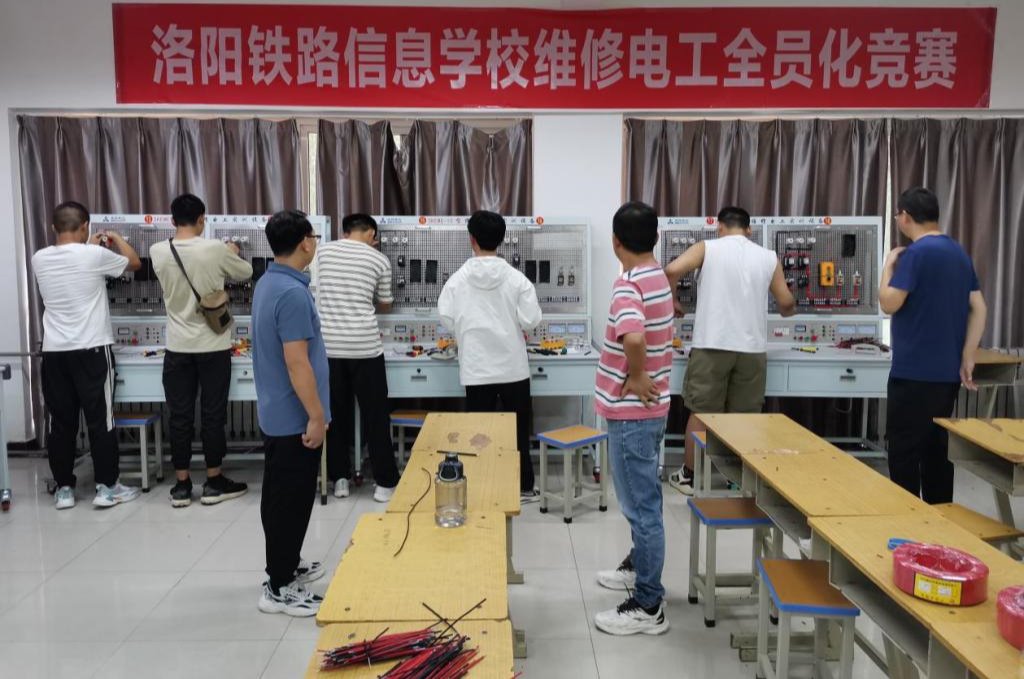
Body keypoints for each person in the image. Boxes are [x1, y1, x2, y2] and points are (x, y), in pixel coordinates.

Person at [664, 207, 796, 495]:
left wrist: (673, 301)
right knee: (744, 417)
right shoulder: (768, 257)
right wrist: (789, 310)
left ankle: (690, 477)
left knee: (701, 412)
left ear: (719, 227)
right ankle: (737, 479)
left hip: (712, 344)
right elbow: (786, 303)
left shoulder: (707, 248)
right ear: (749, 229)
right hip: (751, 349)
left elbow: (671, 270)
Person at [592, 201, 673, 636]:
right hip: (651, 412)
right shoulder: (658, 276)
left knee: (641, 509)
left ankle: (648, 604)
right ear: (656, 238)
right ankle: (638, 565)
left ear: (615, 242)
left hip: (631, 415)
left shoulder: (628, 284)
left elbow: (635, 338)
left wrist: (637, 375)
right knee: (646, 500)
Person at [33, 201, 144, 510]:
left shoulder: (39, 258)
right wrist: (115, 238)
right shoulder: (94, 255)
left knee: (61, 423)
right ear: (85, 226)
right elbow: (134, 263)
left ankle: (64, 489)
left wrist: (89, 246)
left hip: (54, 352)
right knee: (100, 420)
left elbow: (73, 266)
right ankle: (107, 487)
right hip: (92, 349)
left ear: (53, 228)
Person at [880, 187, 986, 504]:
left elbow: (889, 303)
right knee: (937, 451)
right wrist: (967, 356)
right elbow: (979, 307)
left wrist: (888, 265)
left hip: (912, 374)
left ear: (905, 217)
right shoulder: (958, 253)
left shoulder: (914, 254)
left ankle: (909, 521)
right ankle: (940, 520)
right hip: (946, 376)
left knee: (904, 453)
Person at [150, 194, 252, 508]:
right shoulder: (215, 249)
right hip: (213, 346)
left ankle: (182, 485)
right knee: (212, 415)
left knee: (179, 416)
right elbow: (246, 272)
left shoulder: (157, 250)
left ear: (172, 220)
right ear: (201, 219)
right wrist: (232, 252)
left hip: (177, 347)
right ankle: (213, 480)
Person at [252, 209, 331, 617]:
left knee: (279, 496)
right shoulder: (292, 294)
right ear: (305, 242)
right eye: (313, 237)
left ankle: (286, 563)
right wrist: (316, 416)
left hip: (277, 411)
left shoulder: (270, 282)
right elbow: (297, 362)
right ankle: (279, 586)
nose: (314, 243)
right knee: (290, 501)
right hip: (294, 416)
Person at [438, 210, 542, 499]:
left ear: (471, 239)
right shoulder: (517, 280)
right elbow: (531, 320)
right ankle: (523, 486)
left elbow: (446, 317)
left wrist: (465, 330)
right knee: (518, 431)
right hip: (513, 368)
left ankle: (482, 486)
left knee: (478, 433)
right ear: (502, 239)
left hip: (476, 368)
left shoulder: (457, 281)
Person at [314, 213, 400, 502]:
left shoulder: (322, 252)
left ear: (345, 231)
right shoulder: (379, 260)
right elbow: (385, 304)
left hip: (329, 348)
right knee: (376, 416)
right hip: (365, 348)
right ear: (372, 234)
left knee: (334, 415)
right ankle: (385, 483)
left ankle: (340, 478)